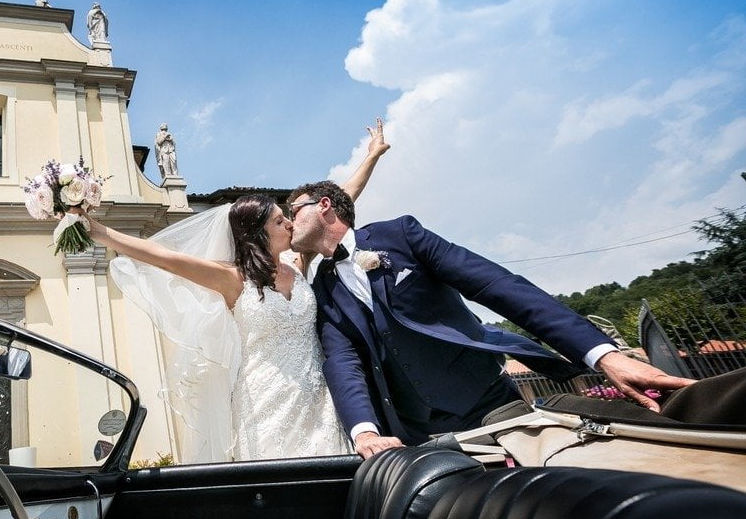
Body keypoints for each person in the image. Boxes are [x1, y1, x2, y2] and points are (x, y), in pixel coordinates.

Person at [287, 180, 697, 459]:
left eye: (294, 210)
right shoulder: (321, 287)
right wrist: (365, 431)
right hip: (413, 433)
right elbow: (343, 362)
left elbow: (498, 286)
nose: (289, 222)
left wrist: (604, 356)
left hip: (488, 404)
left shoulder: (401, 235)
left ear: (325, 207)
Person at [84, 122, 391, 463]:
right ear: (257, 234)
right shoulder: (232, 279)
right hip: (262, 403)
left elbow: (336, 202)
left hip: (319, 397)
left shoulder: (297, 261)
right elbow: (166, 259)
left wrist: (373, 156)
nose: (290, 223)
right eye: (279, 221)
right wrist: (98, 231)